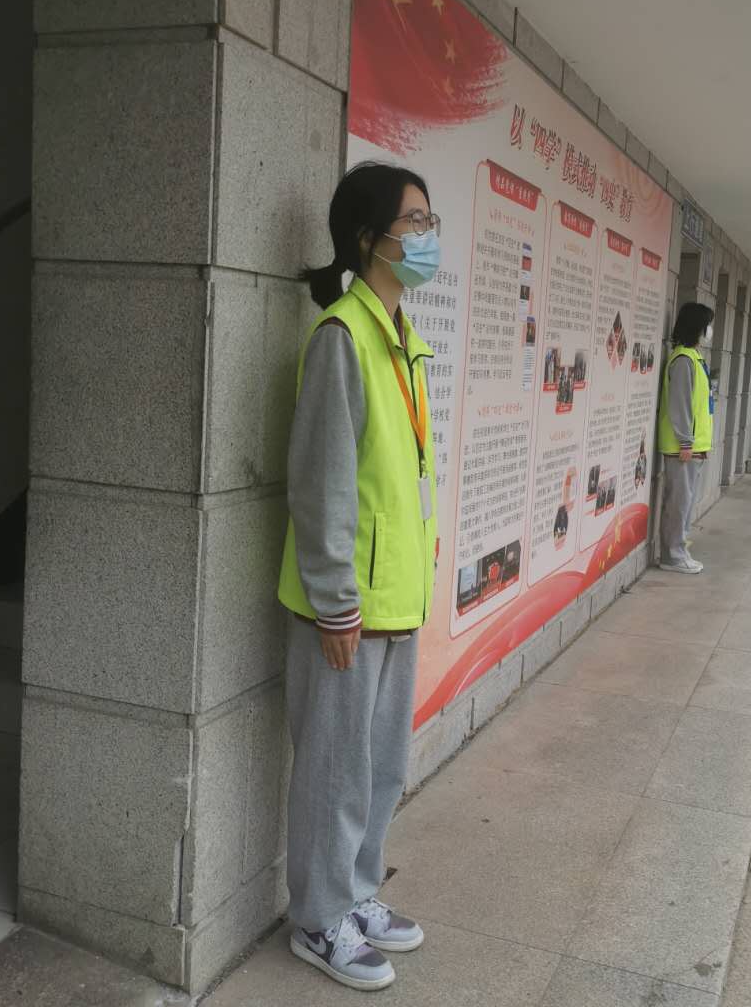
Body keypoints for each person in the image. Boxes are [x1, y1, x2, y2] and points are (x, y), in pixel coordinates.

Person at [277, 162, 440, 991]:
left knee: (379, 769)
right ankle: (317, 917)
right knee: (334, 771)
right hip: (349, 609)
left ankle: (356, 892)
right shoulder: (342, 337)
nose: (427, 236)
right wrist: (337, 603)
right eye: (415, 223)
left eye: (429, 221)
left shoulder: (401, 339)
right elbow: (323, 486)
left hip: (396, 599)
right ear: (369, 238)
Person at [656, 302, 715, 573]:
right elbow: (680, 405)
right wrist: (685, 442)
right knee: (678, 504)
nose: (709, 330)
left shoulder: (694, 358)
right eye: (707, 325)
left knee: (685, 502)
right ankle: (672, 556)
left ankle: (679, 550)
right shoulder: (683, 360)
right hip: (683, 448)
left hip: (693, 447)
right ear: (697, 327)